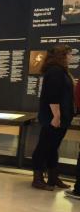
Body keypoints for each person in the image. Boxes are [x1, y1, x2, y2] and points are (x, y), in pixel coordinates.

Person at [31, 45, 75, 190]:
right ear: (61, 56)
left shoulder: (60, 71)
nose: (71, 57)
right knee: (44, 147)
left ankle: (53, 177)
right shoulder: (55, 71)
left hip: (61, 117)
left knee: (52, 147)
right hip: (53, 117)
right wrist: (56, 116)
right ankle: (37, 179)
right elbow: (52, 96)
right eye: (69, 54)